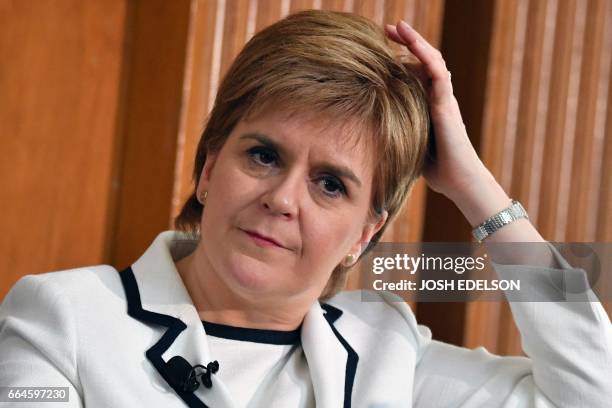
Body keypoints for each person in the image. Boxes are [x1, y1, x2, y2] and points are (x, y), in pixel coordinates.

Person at [0, 10, 610, 408]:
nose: (282, 199)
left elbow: (594, 391)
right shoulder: (65, 319)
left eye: (331, 185)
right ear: (210, 168)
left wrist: (475, 187)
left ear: (365, 235)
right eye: (263, 155)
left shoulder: (388, 353)